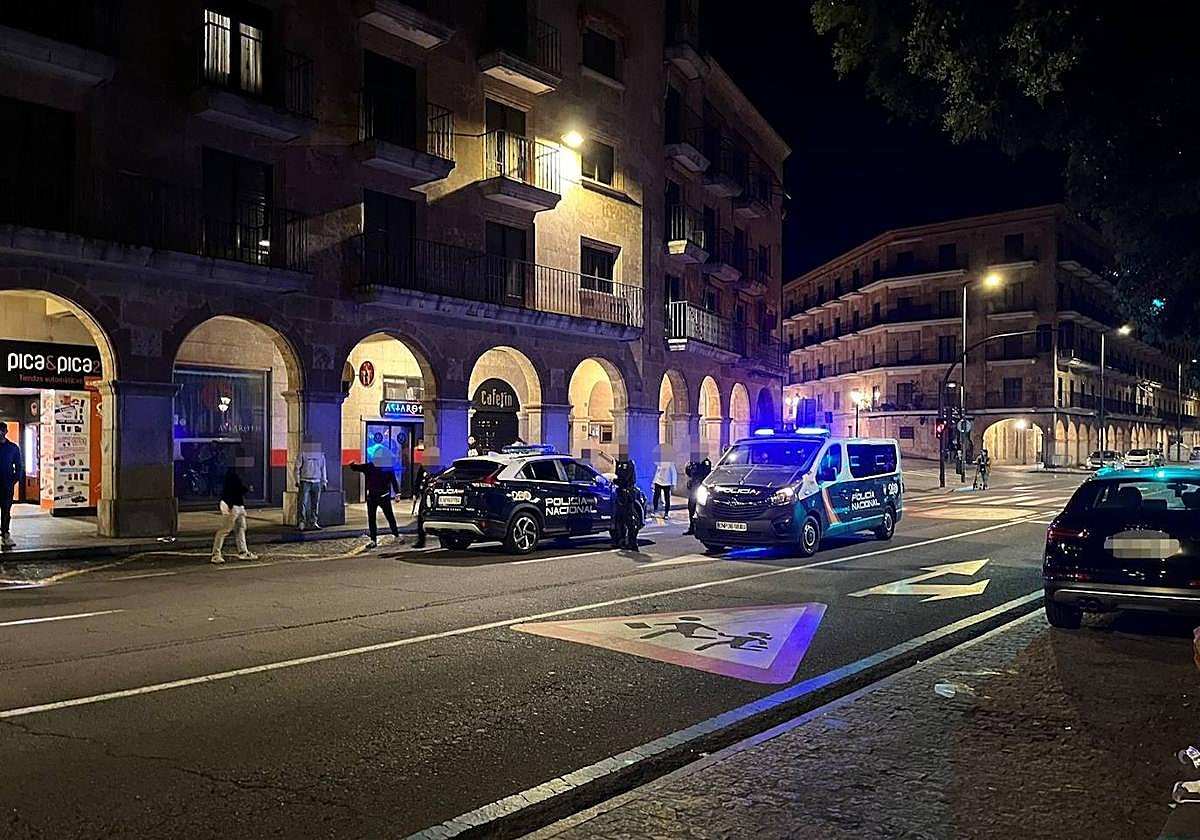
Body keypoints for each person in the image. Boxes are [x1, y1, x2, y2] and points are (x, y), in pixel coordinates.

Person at [350, 460, 402, 548]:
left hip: (381, 496)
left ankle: (395, 535)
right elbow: (356, 468)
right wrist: (352, 464)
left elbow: (393, 480)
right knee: (374, 518)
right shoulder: (371, 466)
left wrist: (397, 494)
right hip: (374, 497)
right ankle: (374, 540)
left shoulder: (382, 467)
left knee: (388, 517)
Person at [212, 467, 257, 564]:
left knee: (240, 528)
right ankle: (216, 554)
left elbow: (237, 490)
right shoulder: (234, 475)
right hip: (233, 506)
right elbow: (235, 490)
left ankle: (242, 551)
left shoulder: (233, 475)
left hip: (237, 506)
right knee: (226, 529)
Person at [295, 439, 328, 531]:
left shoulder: (320, 454)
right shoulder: (302, 453)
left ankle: (313, 522)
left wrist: (324, 481)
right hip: (305, 481)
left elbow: (323, 468)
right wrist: (297, 481)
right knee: (302, 503)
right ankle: (302, 522)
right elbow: (297, 468)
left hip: (316, 481)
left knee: (315, 503)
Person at [611, 457, 642, 551]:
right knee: (619, 519)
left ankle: (632, 542)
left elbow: (624, 478)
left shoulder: (627, 463)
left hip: (627, 495)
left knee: (629, 520)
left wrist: (615, 480)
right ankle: (621, 540)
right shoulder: (619, 462)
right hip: (621, 493)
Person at [0, 425, 23, 548]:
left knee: (6, 511)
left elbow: (19, 466)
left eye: (2, 431)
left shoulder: (13, 448)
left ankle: (5, 534)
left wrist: (14, 480)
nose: (0, 433)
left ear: (6, 432)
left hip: (6, 486)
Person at [683, 457, 712, 536]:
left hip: (701, 488)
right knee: (691, 508)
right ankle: (692, 527)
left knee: (701, 510)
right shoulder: (693, 462)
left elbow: (706, 474)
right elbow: (688, 472)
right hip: (694, 488)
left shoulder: (706, 462)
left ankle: (702, 528)